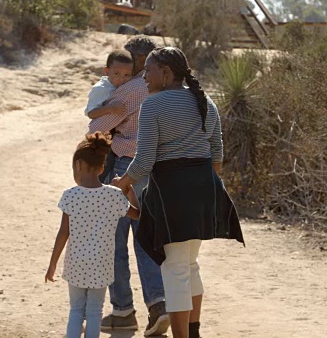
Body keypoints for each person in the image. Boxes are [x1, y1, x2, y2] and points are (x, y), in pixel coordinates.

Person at [112, 47, 245, 338]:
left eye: (148, 70)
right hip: (204, 189)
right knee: (189, 264)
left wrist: (120, 184)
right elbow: (217, 154)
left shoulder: (154, 105)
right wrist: (202, 186)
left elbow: (144, 161)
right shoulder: (205, 102)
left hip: (172, 192)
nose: (144, 76)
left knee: (175, 269)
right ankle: (193, 332)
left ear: (167, 73)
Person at [87, 36, 169, 336]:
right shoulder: (170, 87)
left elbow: (97, 127)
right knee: (147, 237)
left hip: (126, 168)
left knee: (114, 241)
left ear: (137, 60)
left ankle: (123, 310)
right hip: (159, 169)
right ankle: (158, 304)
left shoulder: (134, 88)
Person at [44, 132, 141, 338]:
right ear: (102, 167)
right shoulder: (114, 195)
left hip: (75, 263)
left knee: (76, 310)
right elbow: (137, 215)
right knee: (95, 311)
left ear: (78, 164)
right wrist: (130, 192)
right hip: (102, 264)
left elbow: (63, 233)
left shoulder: (70, 195)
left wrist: (53, 264)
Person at [85, 49, 133, 183]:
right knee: (99, 171)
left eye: (127, 75)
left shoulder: (126, 87)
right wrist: (110, 109)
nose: (122, 78)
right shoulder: (101, 89)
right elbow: (91, 113)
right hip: (101, 139)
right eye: (116, 73)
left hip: (115, 140)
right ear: (106, 71)